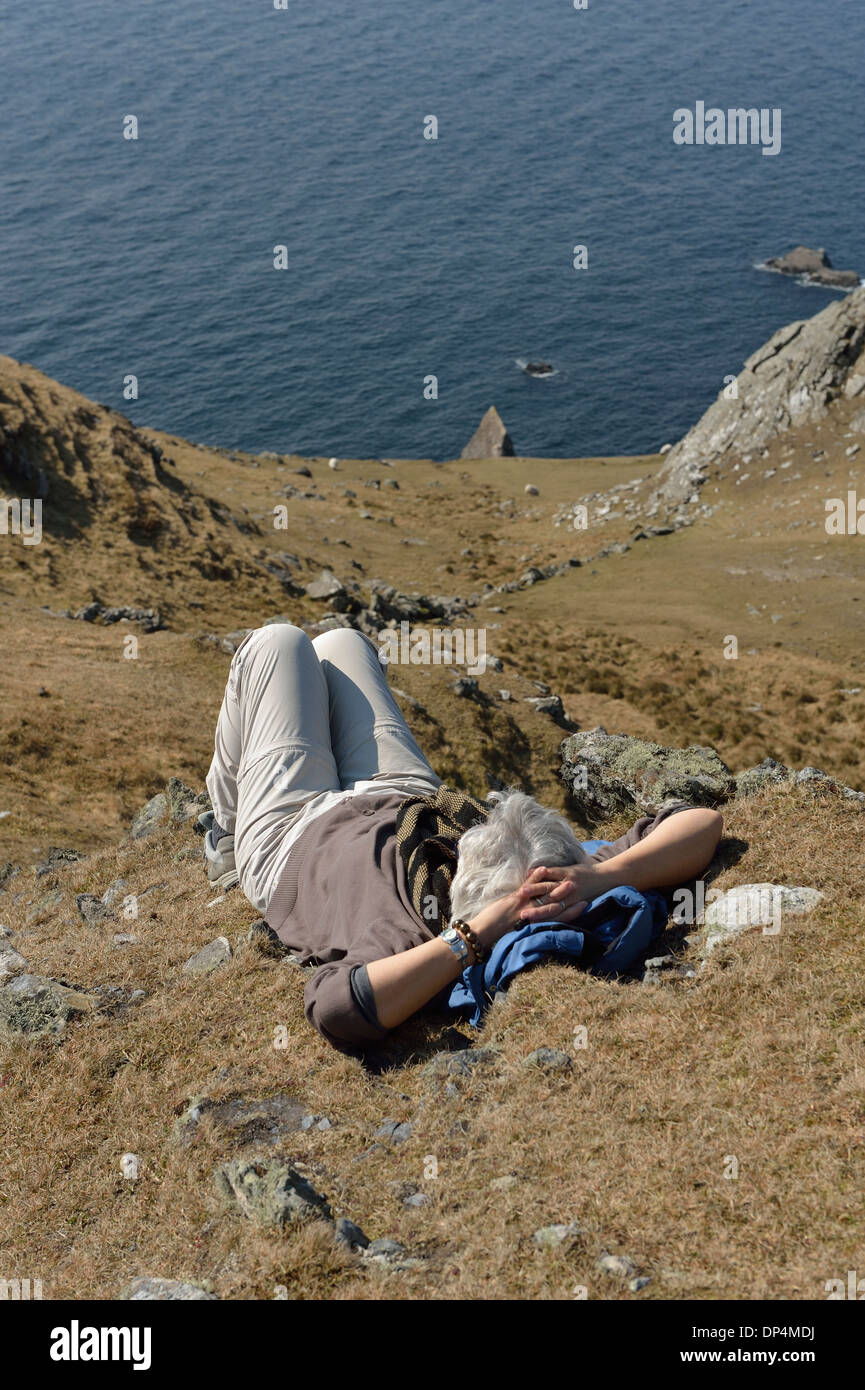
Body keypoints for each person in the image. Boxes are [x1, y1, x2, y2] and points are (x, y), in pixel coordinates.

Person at [203, 623, 723, 1050]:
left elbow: (336, 1006)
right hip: (402, 794)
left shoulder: (407, 932)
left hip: (293, 836)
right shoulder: (559, 882)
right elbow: (702, 822)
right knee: (343, 642)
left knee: (277, 642)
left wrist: (470, 938)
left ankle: (226, 832)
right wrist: (602, 874)